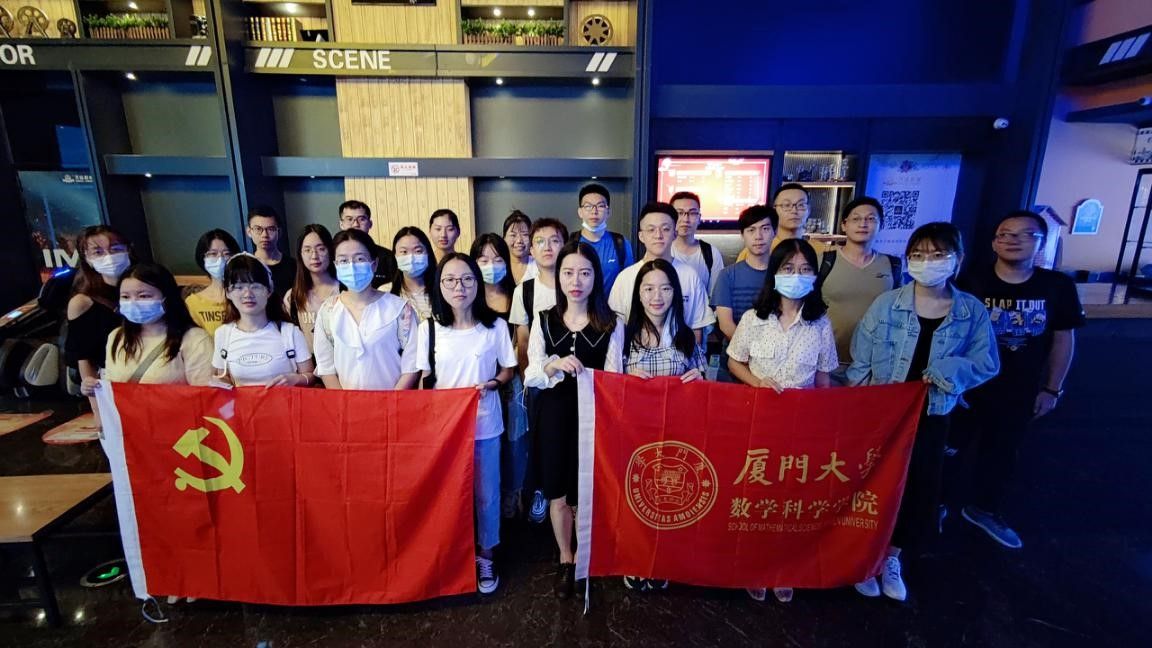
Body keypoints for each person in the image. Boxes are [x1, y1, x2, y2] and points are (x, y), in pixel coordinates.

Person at [847, 222, 999, 601]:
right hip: (883, 412)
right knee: (871, 484)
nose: (927, 262)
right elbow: (860, 360)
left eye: (937, 255)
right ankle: (863, 556)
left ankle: (892, 558)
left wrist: (949, 371)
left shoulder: (971, 311)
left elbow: (986, 362)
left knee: (916, 487)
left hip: (932, 414)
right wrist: (859, 406)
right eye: (918, 255)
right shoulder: (887, 304)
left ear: (957, 259)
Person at [951, 210, 1084, 549]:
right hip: (967, 387)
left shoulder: (1056, 286)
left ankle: (983, 510)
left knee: (1002, 454)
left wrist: (1052, 388)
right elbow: (951, 334)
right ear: (994, 242)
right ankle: (936, 507)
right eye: (1005, 234)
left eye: (1024, 234)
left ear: (1040, 242)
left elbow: (1063, 339)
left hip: (1020, 390)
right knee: (950, 449)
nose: (1012, 240)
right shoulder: (971, 281)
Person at [726, 239, 838, 604]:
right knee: (757, 496)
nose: (796, 276)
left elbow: (823, 379)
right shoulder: (754, 319)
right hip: (758, 422)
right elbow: (734, 361)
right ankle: (754, 566)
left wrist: (821, 425)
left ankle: (785, 569)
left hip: (800, 427)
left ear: (814, 276)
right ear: (774, 273)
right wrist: (757, 382)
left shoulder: (820, 324)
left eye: (804, 269)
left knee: (792, 498)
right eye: (788, 269)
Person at [402, 253, 517, 595]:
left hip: (484, 425)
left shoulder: (495, 327)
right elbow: (424, 379)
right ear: (439, 286)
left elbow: (508, 369)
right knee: (447, 494)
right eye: (450, 280)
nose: (459, 287)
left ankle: (486, 553)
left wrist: (493, 384)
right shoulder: (429, 329)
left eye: (467, 279)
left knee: (486, 493)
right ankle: (451, 552)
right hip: (444, 430)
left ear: (477, 283)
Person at [524, 241, 624, 600]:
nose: (576, 281)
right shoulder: (544, 319)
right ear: (558, 276)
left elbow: (615, 377)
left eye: (584, 273)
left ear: (596, 277)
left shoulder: (611, 323)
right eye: (568, 272)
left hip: (593, 417)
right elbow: (531, 373)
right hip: (554, 415)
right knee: (558, 492)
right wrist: (552, 365)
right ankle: (565, 557)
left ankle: (584, 556)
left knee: (587, 491)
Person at [619, 257, 706, 594]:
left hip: (674, 436)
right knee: (634, 497)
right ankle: (635, 559)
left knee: (668, 500)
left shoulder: (685, 336)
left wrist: (698, 378)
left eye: (666, 289)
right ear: (638, 293)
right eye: (649, 289)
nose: (657, 296)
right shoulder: (623, 335)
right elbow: (609, 379)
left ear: (675, 293)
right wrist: (626, 378)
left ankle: (663, 559)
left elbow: (703, 379)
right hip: (633, 433)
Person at [508, 218, 568, 523]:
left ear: (565, 246)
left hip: (571, 380)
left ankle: (568, 496)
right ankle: (542, 490)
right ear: (531, 249)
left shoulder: (575, 281)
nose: (548, 247)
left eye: (555, 240)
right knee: (538, 438)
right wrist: (526, 381)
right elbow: (522, 340)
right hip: (538, 380)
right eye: (540, 241)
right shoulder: (525, 291)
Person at [80, 262, 213, 395]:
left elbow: (205, 395)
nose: (133, 302)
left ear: (167, 298)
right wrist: (96, 388)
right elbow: (113, 388)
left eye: (144, 296)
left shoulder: (195, 339)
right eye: (125, 297)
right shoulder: (116, 336)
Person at [315, 229, 418, 390]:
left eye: (360, 259)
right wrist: (345, 401)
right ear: (336, 265)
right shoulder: (328, 311)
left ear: (374, 264)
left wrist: (390, 400)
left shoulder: (400, 309)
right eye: (343, 261)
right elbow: (326, 367)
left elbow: (411, 365)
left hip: (392, 400)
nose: (352, 266)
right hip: (345, 402)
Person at [817, 197, 903, 381]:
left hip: (874, 365)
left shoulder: (892, 265)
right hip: (827, 362)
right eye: (856, 218)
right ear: (844, 225)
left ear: (881, 225)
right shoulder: (823, 261)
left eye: (871, 219)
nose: (863, 224)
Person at [608, 202, 715, 341]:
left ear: (675, 233)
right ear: (641, 236)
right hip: (634, 353)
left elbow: (697, 326)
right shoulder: (625, 277)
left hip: (681, 353)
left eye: (665, 229)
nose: (658, 235)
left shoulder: (689, 276)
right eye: (651, 230)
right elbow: (616, 329)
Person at [66, 225, 135, 430]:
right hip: (113, 386)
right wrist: (98, 411)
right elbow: (84, 359)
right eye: (98, 252)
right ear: (86, 258)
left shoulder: (146, 288)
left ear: (128, 249)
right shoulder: (82, 303)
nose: (109, 256)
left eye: (115, 248)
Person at [212, 253, 315, 387]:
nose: (248, 294)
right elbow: (222, 377)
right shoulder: (223, 334)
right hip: (243, 402)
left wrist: (296, 379)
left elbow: (310, 376)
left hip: (284, 400)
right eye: (239, 287)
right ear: (228, 293)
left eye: (255, 286)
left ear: (269, 290)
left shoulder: (290, 333)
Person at [712, 205, 777, 345]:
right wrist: (752, 352)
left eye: (765, 229)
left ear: (775, 232)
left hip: (776, 353)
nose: (758, 236)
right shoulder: (727, 275)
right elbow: (726, 325)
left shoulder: (783, 274)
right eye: (751, 230)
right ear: (742, 235)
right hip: (735, 353)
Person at [283, 224, 341, 352]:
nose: (314, 256)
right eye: (307, 250)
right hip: (309, 361)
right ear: (300, 254)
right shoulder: (292, 297)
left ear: (330, 251)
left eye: (321, 249)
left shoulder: (344, 290)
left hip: (342, 359)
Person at [570, 183, 634, 292]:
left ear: (608, 212)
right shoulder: (570, 242)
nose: (594, 211)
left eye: (600, 206)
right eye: (588, 206)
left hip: (613, 303)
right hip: (580, 302)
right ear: (580, 212)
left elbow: (628, 281)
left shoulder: (621, 244)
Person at [736, 184, 813, 262]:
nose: (794, 211)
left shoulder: (819, 250)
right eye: (786, 205)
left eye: (801, 205)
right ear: (774, 210)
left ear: (809, 210)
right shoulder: (754, 251)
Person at [185, 229, 241, 337]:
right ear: (203, 258)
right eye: (213, 254)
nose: (220, 259)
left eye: (226, 253)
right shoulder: (193, 303)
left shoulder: (245, 296)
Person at [670, 191, 724, 292]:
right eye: (680, 213)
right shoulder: (662, 250)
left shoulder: (712, 253)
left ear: (699, 218)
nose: (685, 219)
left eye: (692, 213)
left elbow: (715, 295)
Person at [338, 200, 397, 287]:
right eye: (349, 219)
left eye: (361, 219)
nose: (356, 224)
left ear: (370, 224)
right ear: (341, 224)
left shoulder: (387, 257)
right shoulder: (331, 256)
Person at [246, 205, 296, 303]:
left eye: (270, 229)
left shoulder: (294, 266)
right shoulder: (245, 268)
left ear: (279, 232)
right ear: (249, 232)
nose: (264, 235)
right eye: (258, 229)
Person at [384, 226, 436, 321]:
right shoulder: (385, 292)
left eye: (418, 251)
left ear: (428, 253)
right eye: (404, 252)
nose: (411, 257)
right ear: (395, 256)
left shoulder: (443, 289)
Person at [471, 234, 514, 317]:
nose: (491, 266)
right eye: (484, 261)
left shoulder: (517, 295)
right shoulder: (469, 298)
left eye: (498, 260)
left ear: (506, 263)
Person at [503, 210, 536, 284]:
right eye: (513, 235)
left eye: (525, 235)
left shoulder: (539, 266)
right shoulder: (499, 265)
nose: (519, 240)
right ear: (504, 238)